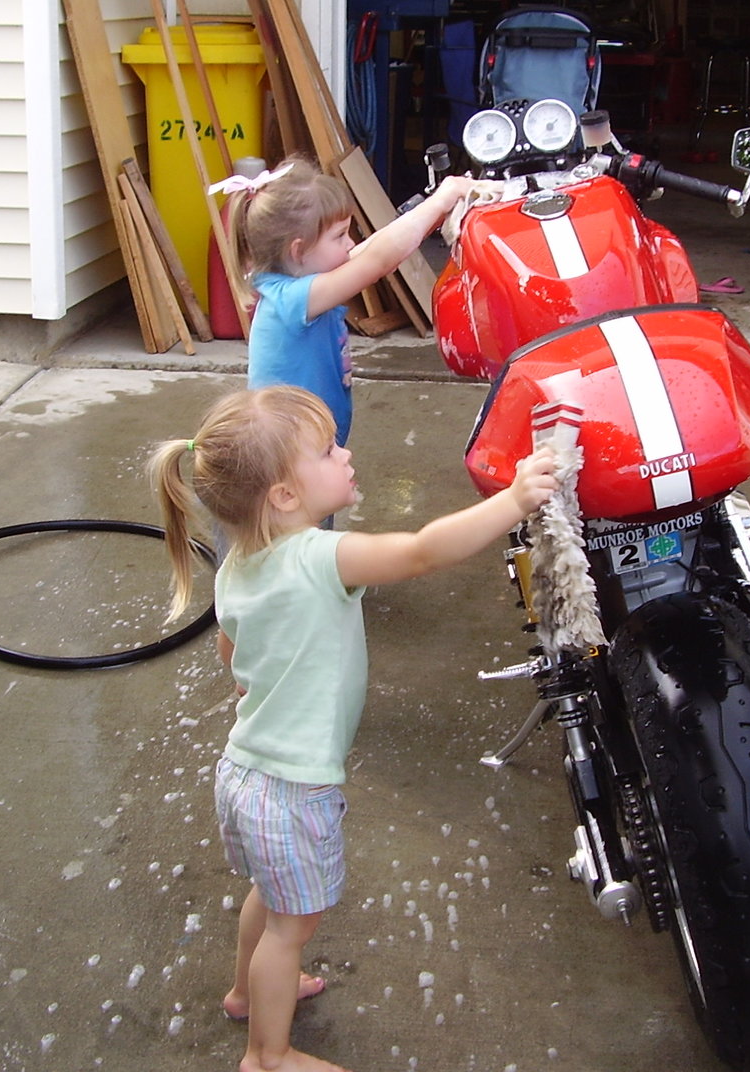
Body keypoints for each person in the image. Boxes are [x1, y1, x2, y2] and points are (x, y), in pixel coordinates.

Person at [148, 385, 556, 1072]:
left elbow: (232, 652)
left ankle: (246, 992)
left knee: (269, 900)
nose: (347, 453)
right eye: (329, 450)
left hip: (244, 772)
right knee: (292, 926)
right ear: (283, 495)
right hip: (291, 789)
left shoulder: (241, 563)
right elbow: (423, 551)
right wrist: (513, 501)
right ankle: (268, 1055)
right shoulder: (317, 558)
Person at [220, 157, 478, 447]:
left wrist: (435, 214)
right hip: (289, 452)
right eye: (340, 235)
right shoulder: (291, 300)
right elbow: (377, 260)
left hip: (309, 444)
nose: (350, 243)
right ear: (298, 250)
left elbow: (373, 249)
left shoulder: (305, 278)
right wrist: (442, 199)